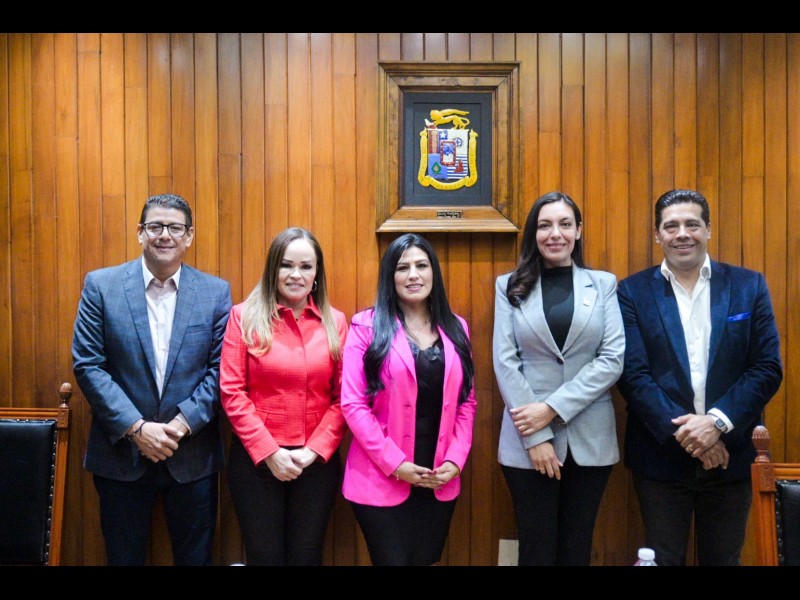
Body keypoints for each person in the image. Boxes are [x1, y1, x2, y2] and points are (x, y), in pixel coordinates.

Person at [617, 188, 783, 566]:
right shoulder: (632, 291)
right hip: (660, 458)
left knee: (723, 560)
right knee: (661, 560)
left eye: (692, 224)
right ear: (657, 234)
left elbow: (766, 367)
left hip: (731, 455)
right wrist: (695, 436)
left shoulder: (748, 286)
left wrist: (716, 424)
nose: (682, 234)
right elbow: (633, 375)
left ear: (708, 229)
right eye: (671, 226)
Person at [72, 193, 232, 566]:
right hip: (121, 455)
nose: (165, 235)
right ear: (140, 232)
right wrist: (137, 428)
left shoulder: (215, 292)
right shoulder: (101, 286)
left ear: (189, 235)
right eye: (155, 226)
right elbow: (88, 364)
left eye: (175, 227)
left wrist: (180, 425)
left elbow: (222, 369)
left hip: (191, 456)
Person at [493, 191, 625, 566]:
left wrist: (551, 409)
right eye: (545, 225)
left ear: (578, 230)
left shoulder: (603, 284)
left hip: (590, 439)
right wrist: (536, 436)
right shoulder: (509, 286)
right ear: (533, 233)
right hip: (526, 441)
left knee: (576, 549)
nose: (555, 234)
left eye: (565, 224)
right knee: (535, 550)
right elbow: (505, 361)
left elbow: (612, 358)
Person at [340, 233, 476, 566]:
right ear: (391, 276)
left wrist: (455, 461)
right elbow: (353, 405)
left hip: (438, 476)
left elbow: (466, 402)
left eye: (421, 265)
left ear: (433, 272)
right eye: (403, 268)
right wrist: (396, 465)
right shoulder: (366, 326)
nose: (413, 275)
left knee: (425, 560)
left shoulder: (457, 328)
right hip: (380, 475)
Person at [220, 227, 348, 566]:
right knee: (265, 557)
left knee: (307, 556)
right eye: (287, 265)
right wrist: (269, 453)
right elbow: (232, 392)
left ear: (317, 274)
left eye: (306, 266)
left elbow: (343, 398)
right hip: (257, 463)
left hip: (315, 464)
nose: (296, 274)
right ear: (273, 269)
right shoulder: (243, 317)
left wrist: (313, 451)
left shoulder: (335, 322)